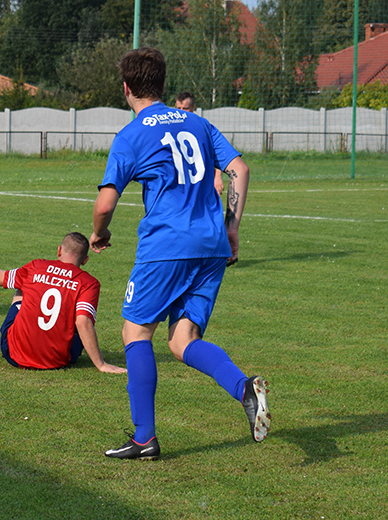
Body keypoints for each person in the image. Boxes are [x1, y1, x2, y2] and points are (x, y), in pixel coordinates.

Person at [91, 48, 270, 460]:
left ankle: (144, 438)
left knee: (135, 333)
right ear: (163, 84)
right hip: (211, 245)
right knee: (182, 339)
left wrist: (100, 234)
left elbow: (104, 205)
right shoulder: (199, 123)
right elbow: (239, 169)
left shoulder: (132, 134)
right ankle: (244, 388)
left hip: (166, 247)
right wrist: (233, 226)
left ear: (127, 88)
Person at [0, 232, 126, 374]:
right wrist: (101, 364)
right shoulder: (89, 283)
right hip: (56, 360)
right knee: (79, 312)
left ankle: (24, 341)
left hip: (14, 354)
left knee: (21, 288)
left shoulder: (36, 267)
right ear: (85, 260)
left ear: (59, 251)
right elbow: (83, 322)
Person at [175, 92, 237, 265]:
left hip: (203, 183)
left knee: (209, 217)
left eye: (185, 109)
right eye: (178, 108)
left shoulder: (202, 128)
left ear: (194, 108)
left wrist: (218, 177)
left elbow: (220, 156)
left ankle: (223, 253)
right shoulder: (172, 128)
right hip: (181, 184)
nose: (182, 112)